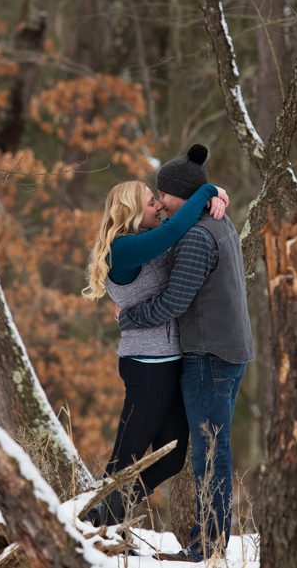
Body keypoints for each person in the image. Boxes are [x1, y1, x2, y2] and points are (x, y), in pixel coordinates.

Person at [116, 144, 254, 561]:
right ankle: (207, 540)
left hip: (209, 354)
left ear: (180, 195)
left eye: (163, 196)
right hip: (228, 350)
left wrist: (130, 316)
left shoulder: (195, 235)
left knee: (211, 450)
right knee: (212, 446)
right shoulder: (218, 220)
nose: (159, 203)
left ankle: (208, 546)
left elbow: (174, 303)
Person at [81, 177, 229, 526]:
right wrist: (208, 190)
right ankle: (88, 524)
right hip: (146, 367)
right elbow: (173, 230)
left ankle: (107, 516)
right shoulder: (124, 248)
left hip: (169, 362)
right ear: (131, 211)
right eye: (151, 202)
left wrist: (216, 200)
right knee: (125, 458)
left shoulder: (143, 243)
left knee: (172, 456)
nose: (159, 206)